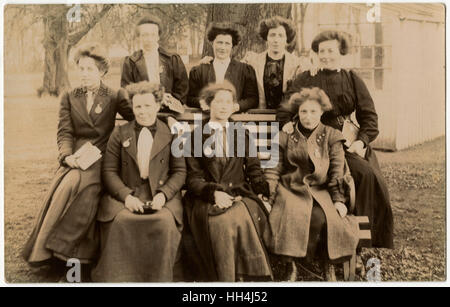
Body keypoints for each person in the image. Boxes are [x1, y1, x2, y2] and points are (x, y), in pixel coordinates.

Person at [22, 44, 134, 280]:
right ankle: (46, 253)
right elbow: (64, 132)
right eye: (81, 68)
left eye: (90, 69)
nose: (84, 73)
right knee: (69, 183)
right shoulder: (70, 97)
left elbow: (139, 115)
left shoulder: (114, 95)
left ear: (102, 71)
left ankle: (65, 255)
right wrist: (66, 156)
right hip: (76, 158)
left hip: (103, 158)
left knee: (84, 187)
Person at [277, 30, 394, 250]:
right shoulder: (307, 77)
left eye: (331, 50)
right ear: (316, 53)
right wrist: (287, 123)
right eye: (322, 51)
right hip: (316, 141)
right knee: (326, 176)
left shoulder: (351, 78)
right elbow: (285, 107)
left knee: (366, 175)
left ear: (340, 52)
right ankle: (328, 236)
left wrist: (361, 142)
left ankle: (360, 241)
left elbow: (369, 116)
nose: (326, 55)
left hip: (347, 141)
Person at [91, 82, 186, 282]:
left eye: (148, 106)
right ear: (132, 108)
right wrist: (125, 196)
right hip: (128, 191)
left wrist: (163, 195)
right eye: (138, 107)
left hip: (160, 193)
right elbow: (109, 171)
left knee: (163, 222)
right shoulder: (120, 133)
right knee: (123, 220)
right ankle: (121, 278)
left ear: (158, 106)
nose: (143, 112)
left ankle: (159, 278)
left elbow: (179, 171)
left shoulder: (170, 133)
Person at [265, 87, 359, 281]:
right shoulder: (284, 136)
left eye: (313, 111)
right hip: (291, 188)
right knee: (291, 214)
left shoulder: (332, 136)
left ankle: (329, 264)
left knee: (323, 217)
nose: (308, 117)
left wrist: (339, 199)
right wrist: (269, 197)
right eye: (303, 112)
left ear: (322, 112)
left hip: (321, 189)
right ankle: (290, 265)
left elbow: (337, 171)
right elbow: (273, 169)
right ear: (297, 113)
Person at [183, 81, 272, 281]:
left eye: (228, 102)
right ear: (208, 105)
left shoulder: (241, 133)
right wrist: (213, 192)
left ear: (233, 106)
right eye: (218, 101)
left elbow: (254, 168)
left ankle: (246, 273)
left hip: (239, 191)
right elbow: (192, 177)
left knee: (244, 213)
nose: (224, 106)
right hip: (206, 197)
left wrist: (262, 193)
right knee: (222, 222)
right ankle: (226, 276)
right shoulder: (196, 136)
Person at [121, 15, 189, 111]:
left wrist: (170, 101)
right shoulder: (130, 62)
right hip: (143, 111)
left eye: (153, 34)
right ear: (138, 37)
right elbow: (126, 91)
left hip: (169, 112)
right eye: (145, 35)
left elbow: (182, 90)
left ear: (158, 36)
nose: (149, 39)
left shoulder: (172, 59)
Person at [187, 22, 259, 112]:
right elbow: (190, 98)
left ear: (232, 46)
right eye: (219, 43)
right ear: (212, 43)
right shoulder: (199, 71)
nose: (223, 47)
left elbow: (253, 99)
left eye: (227, 43)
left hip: (236, 120)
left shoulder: (245, 70)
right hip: (207, 118)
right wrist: (201, 102)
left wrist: (237, 106)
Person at [242, 16, 302, 109]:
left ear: (286, 39)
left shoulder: (297, 63)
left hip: (286, 116)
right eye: (272, 35)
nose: (276, 40)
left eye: (280, 35)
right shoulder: (253, 61)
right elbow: (233, 68)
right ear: (266, 37)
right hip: (261, 114)